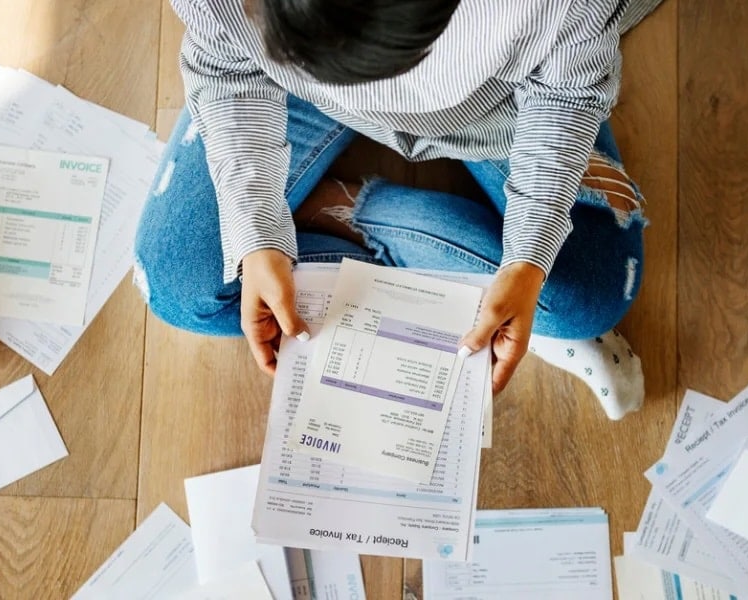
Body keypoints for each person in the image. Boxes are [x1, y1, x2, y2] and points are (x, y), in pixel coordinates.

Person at [135, 0, 662, 419]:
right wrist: (254, 229)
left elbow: (565, 96)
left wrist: (528, 259)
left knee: (589, 296)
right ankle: (348, 222)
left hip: (495, 108)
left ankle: (332, 210)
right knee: (179, 284)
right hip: (288, 91)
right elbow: (226, 68)